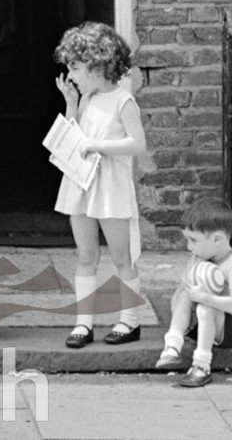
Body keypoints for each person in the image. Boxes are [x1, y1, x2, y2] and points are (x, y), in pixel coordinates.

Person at [53, 21, 147, 348]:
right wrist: (69, 102)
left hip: (111, 187)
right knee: (85, 255)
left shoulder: (123, 101)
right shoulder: (88, 97)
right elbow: (73, 135)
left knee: (122, 258)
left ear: (97, 64)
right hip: (82, 182)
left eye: (75, 68)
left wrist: (97, 146)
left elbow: (137, 144)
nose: (72, 74)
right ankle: (84, 324)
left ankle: (129, 321)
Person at [156, 203, 232, 388]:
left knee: (206, 307)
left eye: (193, 240)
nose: (188, 246)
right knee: (186, 294)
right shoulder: (197, 260)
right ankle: (172, 345)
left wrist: (205, 298)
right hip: (201, 320)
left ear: (217, 239)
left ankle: (201, 367)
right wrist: (179, 309)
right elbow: (180, 292)